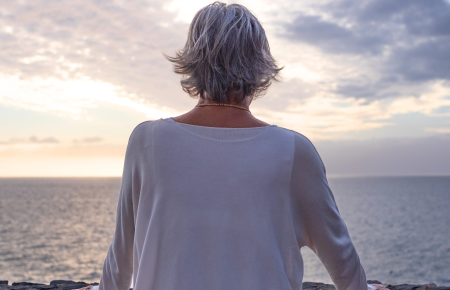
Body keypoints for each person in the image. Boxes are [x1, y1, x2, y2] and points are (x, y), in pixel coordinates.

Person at [78, 2, 389, 290]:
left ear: (193, 63)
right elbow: (342, 260)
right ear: (260, 67)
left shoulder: (147, 140)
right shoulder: (293, 149)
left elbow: (122, 258)